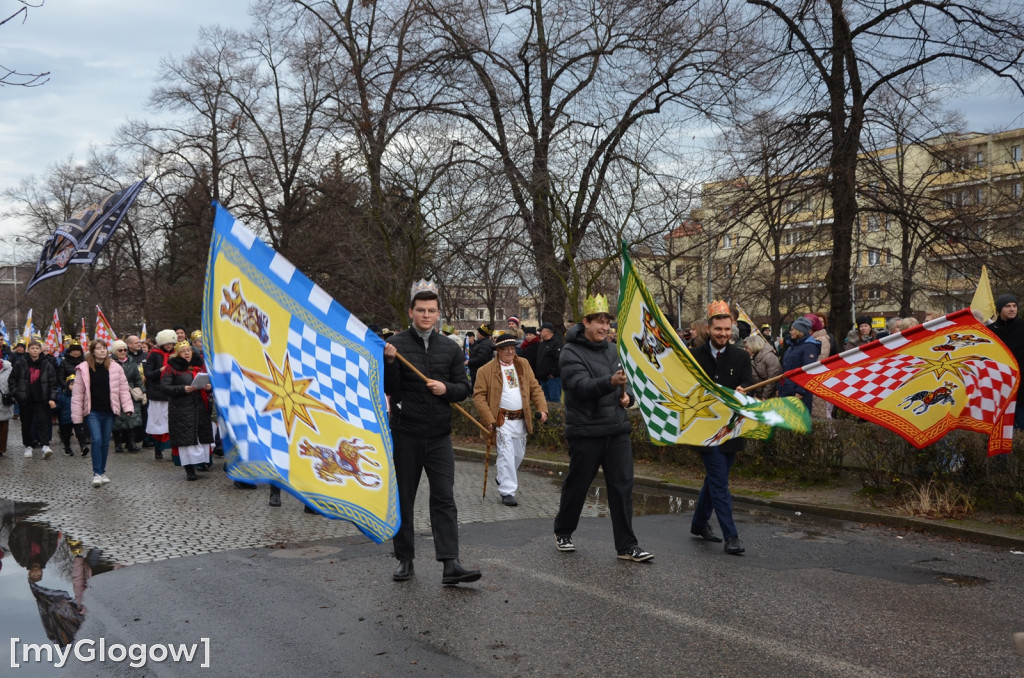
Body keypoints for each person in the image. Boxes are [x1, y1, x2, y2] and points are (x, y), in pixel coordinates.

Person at [383, 285, 481, 586]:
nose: (426, 315)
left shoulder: (450, 348)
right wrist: (388, 362)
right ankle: (405, 559)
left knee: (444, 498)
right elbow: (390, 388)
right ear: (411, 312)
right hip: (406, 434)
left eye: (432, 311)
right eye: (421, 310)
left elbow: (464, 388)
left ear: (438, 314)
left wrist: (445, 389)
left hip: (439, 436)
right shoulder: (396, 345)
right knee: (404, 499)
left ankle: (450, 563)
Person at [552, 294, 653, 562]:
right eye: (599, 322)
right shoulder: (570, 352)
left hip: (617, 429)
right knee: (578, 485)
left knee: (622, 487)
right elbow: (579, 388)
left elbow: (626, 382)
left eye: (607, 323)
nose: (604, 327)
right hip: (586, 431)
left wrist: (627, 396)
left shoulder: (612, 349)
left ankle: (627, 546)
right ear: (585, 322)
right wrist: (609, 382)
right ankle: (563, 530)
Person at [688, 301, 754, 555]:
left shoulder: (741, 356)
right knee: (719, 482)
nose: (723, 334)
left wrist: (742, 390)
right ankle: (731, 536)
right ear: (708, 328)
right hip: (705, 431)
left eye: (727, 329)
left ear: (732, 329)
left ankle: (698, 524)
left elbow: (748, 383)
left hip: (731, 429)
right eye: (718, 329)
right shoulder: (693, 357)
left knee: (715, 480)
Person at [472, 332, 548, 506]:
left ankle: (501, 476)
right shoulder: (486, 370)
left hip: (521, 419)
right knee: (506, 455)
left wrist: (542, 409)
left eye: (513, 349)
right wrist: (488, 419)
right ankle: (507, 491)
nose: (510, 352)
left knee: (518, 456)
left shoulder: (523, 364)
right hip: (501, 420)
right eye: (505, 349)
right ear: (497, 351)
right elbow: (478, 396)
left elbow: (535, 388)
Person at [71, 340, 134, 487]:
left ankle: (102, 471)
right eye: (99, 349)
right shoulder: (84, 368)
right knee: (97, 440)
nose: (102, 351)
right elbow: (77, 394)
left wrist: (128, 407)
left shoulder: (115, 367)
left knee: (105, 442)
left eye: (104, 348)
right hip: (92, 411)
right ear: (92, 351)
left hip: (109, 411)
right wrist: (77, 417)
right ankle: (96, 473)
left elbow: (123, 389)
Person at [161, 341, 214, 481]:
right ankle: (189, 469)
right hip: (181, 409)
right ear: (178, 354)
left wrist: (209, 387)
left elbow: (209, 384)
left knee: (200, 438)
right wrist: (183, 389)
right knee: (186, 440)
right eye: (183, 351)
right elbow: (165, 388)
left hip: (200, 408)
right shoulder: (171, 368)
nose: (187, 353)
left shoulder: (199, 367)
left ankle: (201, 464)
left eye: (189, 350)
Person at [10, 339, 58, 459]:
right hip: (25, 399)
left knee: (43, 422)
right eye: (32, 348)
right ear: (28, 350)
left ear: (40, 349)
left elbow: (53, 383)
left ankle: (45, 445)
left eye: (37, 348)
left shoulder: (46, 364)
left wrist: (52, 398)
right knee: (26, 423)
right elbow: (12, 380)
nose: (35, 350)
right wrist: (17, 394)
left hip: (42, 399)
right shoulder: (20, 363)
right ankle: (28, 445)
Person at [990, 293, 1024, 429]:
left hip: (1021, 387)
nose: (1012, 309)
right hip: (1000, 387)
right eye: (1007, 306)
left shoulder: (1022, 326)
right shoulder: (991, 331)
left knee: (1021, 424)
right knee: (1001, 428)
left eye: (1014, 306)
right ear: (999, 309)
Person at [144, 330, 177, 460]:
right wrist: (160, 370)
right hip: (157, 394)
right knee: (158, 422)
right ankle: (158, 448)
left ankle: (172, 448)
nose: (169, 346)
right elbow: (148, 374)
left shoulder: (175, 355)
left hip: (172, 393)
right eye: (166, 343)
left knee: (171, 423)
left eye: (171, 343)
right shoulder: (153, 355)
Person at [778, 316, 820, 412]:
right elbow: (786, 369)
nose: (790, 332)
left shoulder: (810, 347)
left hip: (798, 394)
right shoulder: (793, 346)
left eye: (792, 329)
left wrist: (800, 391)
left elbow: (808, 371)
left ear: (799, 331)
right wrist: (779, 387)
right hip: (786, 390)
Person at [111, 340, 143, 453]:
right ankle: (118, 444)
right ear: (115, 351)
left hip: (130, 393)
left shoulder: (131, 362)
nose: (123, 352)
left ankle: (131, 442)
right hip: (115, 393)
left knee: (131, 419)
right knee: (117, 420)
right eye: (120, 350)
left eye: (125, 349)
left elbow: (137, 379)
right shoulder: (110, 363)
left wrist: (143, 392)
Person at [743, 333, 781, 399]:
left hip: (771, 396)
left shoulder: (769, 357)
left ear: (753, 346)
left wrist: (764, 396)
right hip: (760, 395)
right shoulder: (752, 358)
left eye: (746, 348)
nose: (744, 349)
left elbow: (772, 379)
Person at [535, 322, 562, 403]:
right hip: (543, 379)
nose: (539, 333)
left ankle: (556, 416)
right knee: (545, 402)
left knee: (554, 402)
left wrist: (553, 373)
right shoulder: (542, 344)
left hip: (552, 379)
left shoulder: (556, 344)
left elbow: (559, 360)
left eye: (541, 331)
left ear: (547, 331)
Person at [0, 357, 13, 457]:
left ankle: (1, 448)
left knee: (3, 425)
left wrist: (12, 394)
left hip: (4, 401)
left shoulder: (8, 368)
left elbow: (13, 382)